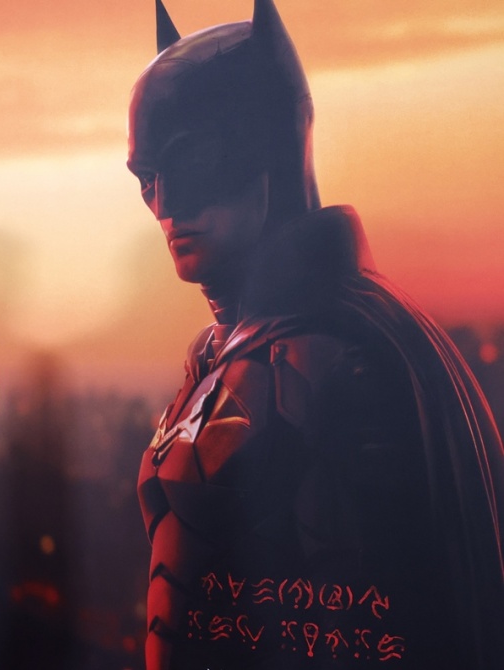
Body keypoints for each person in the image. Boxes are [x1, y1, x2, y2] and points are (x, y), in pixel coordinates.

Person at [127, 1, 504, 668]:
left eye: (191, 164)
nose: (166, 205)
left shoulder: (341, 356)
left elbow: (365, 617)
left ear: (270, 146)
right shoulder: (217, 354)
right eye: (147, 178)